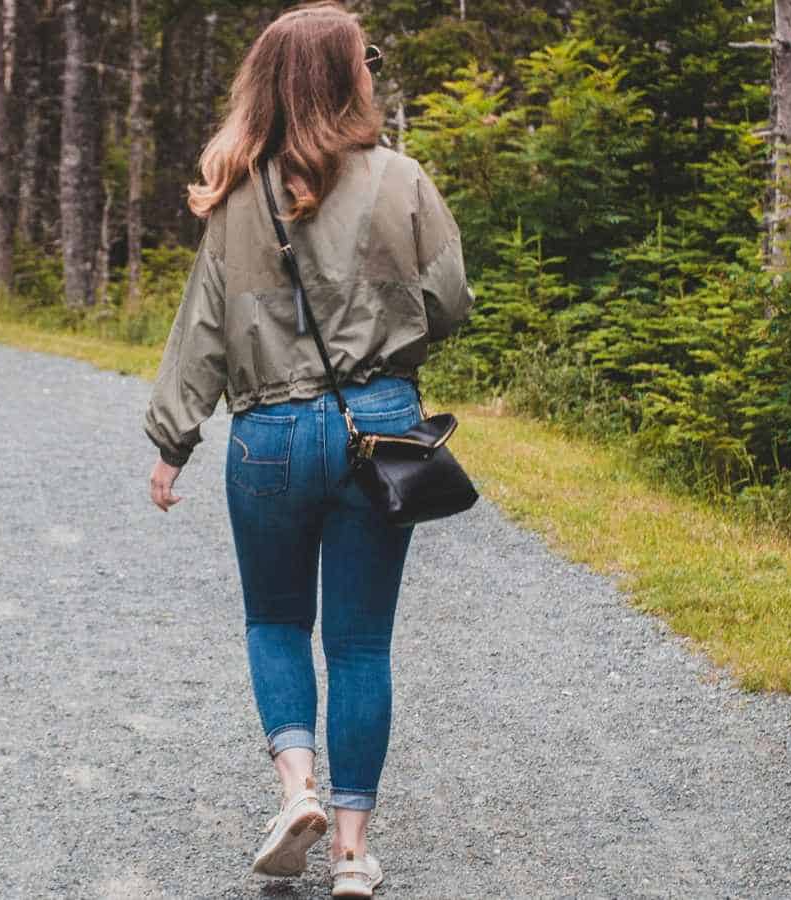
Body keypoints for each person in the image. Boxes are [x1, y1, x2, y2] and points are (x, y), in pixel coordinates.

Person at [143, 3, 472, 896]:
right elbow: (451, 302)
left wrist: (173, 442)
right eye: (364, 59)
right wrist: (387, 326)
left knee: (276, 622)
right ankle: (352, 854)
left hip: (270, 437)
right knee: (361, 646)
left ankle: (297, 791)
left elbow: (203, 330)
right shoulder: (402, 179)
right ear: (343, 77)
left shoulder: (236, 194)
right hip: (381, 428)